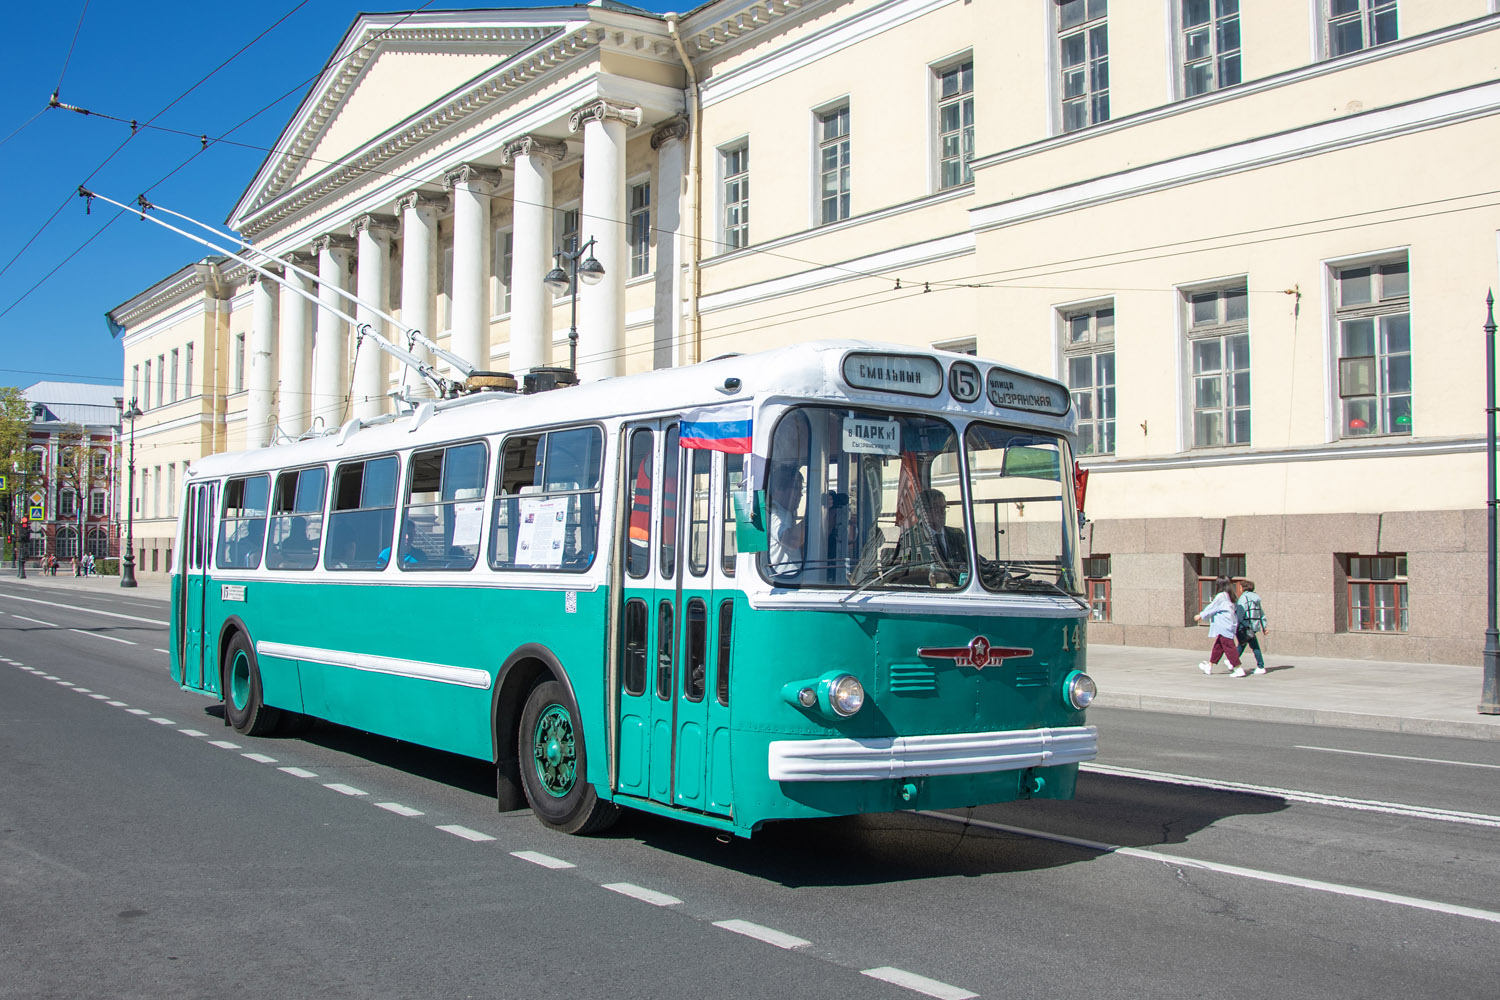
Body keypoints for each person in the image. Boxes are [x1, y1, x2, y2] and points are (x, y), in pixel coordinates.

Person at [891, 487, 968, 584]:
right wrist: (929, 575)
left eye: (943, 508)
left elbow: (971, 560)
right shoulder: (910, 538)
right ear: (924, 512)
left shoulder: (957, 535)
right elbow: (898, 574)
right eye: (936, 508)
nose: (942, 513)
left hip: (960, 589)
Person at [1195, 576, 1246, 676]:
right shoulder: (1231, 595)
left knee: (1228, 647)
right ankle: (1209, 666)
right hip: (1229, 624)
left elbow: (1212, 607)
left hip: (1223, 625)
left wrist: (1201, 615)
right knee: (1218, 646)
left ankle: (1238, 668)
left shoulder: (1221, 596)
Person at [766, 464, 806, 577]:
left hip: (792, 578)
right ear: (779, 489)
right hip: (782, 581)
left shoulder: (787, 512)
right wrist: (812, 515)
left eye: (801, 490)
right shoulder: (774, 512)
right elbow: (791, 541)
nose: (801, 495)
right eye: (796, 489)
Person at [1235, 579, 1269, 674]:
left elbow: (1240, 613)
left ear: (1243, 588)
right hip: (1254, 625)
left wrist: (1235, 624)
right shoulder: (1256, 598)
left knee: (1252, 645)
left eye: (1240, 587)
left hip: (1246, 625)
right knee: (1243, 643)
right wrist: (1264, 626)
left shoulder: (1243, 598)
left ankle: (1260, 666)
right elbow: (1261, 613)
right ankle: (1233, 661)